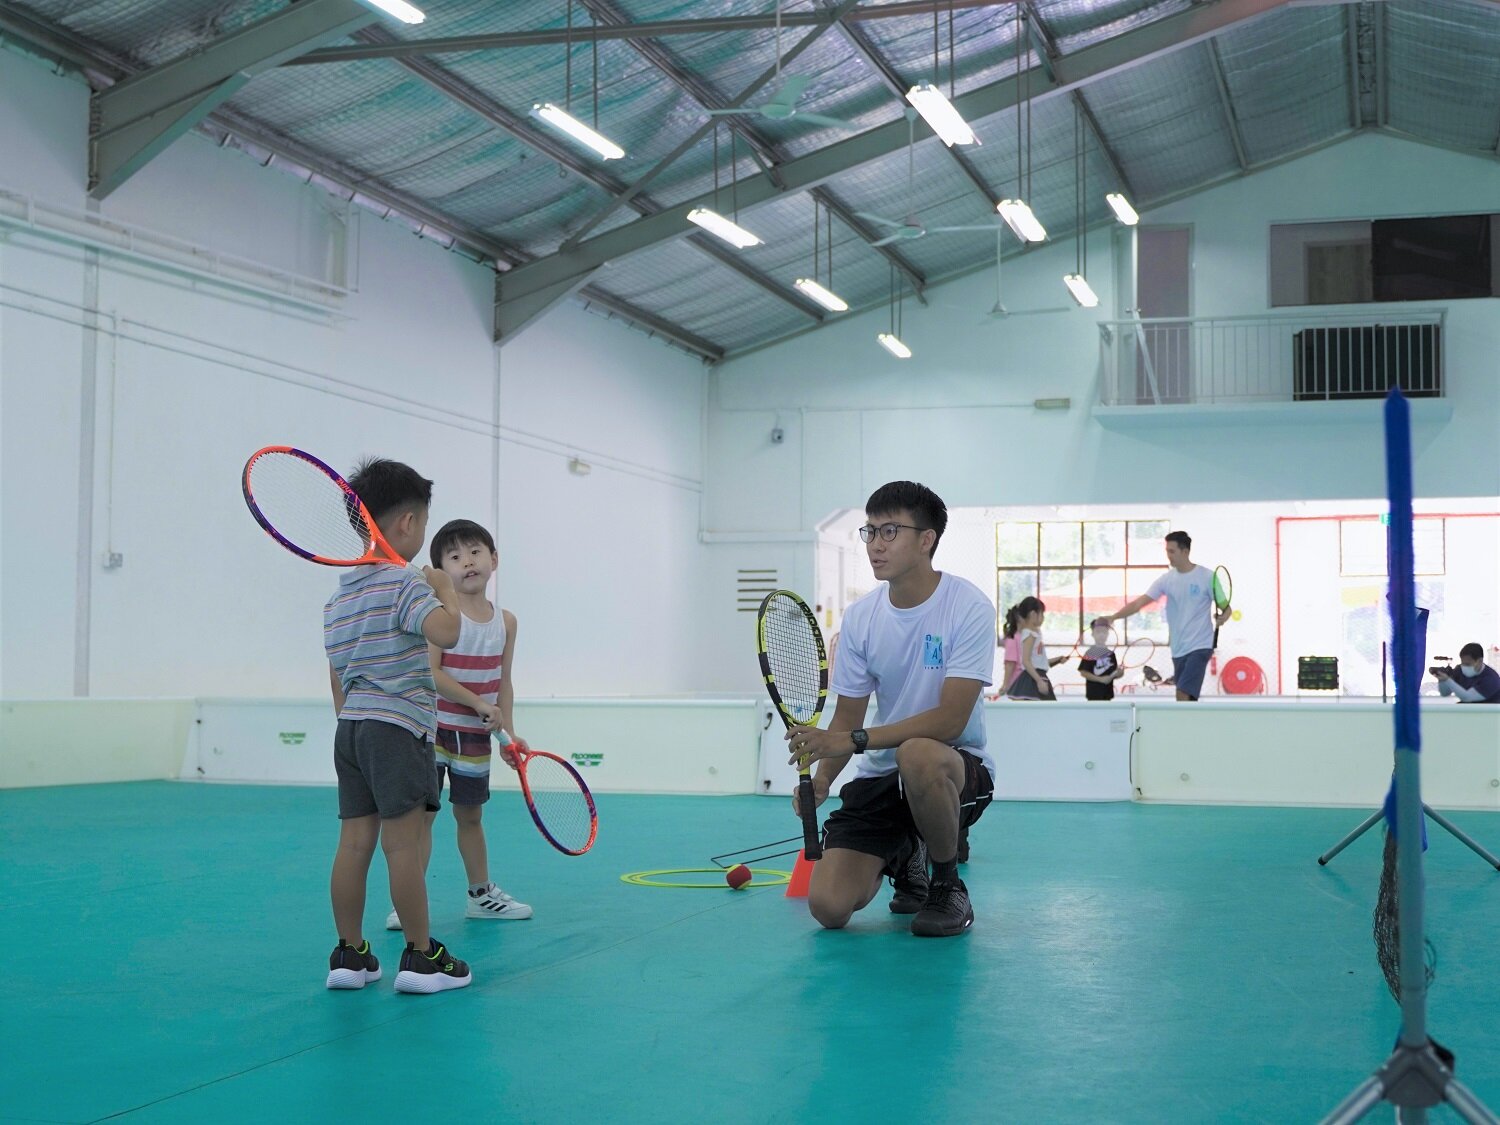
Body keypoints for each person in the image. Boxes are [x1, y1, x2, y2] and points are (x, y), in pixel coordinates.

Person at [786, 481, 996, 938]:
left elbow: (951, 719)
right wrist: (822, 781)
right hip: (882, 775)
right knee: (828, 907)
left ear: (926, 540)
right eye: (871, 532)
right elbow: (847, 718)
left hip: (953, 768)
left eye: (890, 532)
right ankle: (907, 857)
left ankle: (946, 884)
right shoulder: (862, 617)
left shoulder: (969, 607)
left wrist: (854, 740)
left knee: (918, 752)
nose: (875, 546)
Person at [324, 458, 472, 994]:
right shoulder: (406, 585)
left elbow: (338, 678)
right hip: (397, 729)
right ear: (407, 523)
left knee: (353, 843)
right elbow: (448, 634)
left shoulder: (338, 600)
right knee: (403, 847)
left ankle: (350, 954)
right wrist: (443, 589)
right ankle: (420, 956)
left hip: (352, 730)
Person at [385, 520, 533, 933]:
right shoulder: (440, 617)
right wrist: (477, 703)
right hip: (431, 732)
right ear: (441, 572)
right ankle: (406, 902)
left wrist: (509, 732)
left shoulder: (506, 623)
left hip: (474, 740)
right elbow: (432, 673)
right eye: (454, 557)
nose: (467, 561)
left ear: (494, 559)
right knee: (424, 819)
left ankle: (480, 895)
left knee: (470, 818)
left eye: (475, 552)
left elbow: (504, 682)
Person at [1107, 531, 1230, 702]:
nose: (1168, 556)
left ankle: (1182, 728)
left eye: (1172, 551)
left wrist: (1223, 618)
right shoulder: (1166, 580)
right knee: (1187, 697)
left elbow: (1226, 609)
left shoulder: (1208, 577)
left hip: (1201, 646)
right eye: (1167, 551)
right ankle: (1192, 726)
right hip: (1178, 648)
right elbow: (1139, 603)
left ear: (1185, 552)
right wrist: (1114, 616)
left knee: (1182, 694)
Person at [1003, 597, 1067, 700]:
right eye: (1042, 613)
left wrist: (1058, 659)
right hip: (1032, 680)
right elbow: (1026, 661)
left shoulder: (1035, 634)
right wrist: (1039, 681)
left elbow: (1037, 662)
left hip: (1037, 677)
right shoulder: (1030, 635)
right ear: (1033, 614)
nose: (1043, 617)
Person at [1433, 643, 1500, 703]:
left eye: (1468, 664)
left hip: (1488, 714)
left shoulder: (1491, 678)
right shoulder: (1459, 670)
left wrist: (1448, 680)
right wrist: (1442, 680)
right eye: (1462, 663)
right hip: (1466, 712)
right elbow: (1445, 693)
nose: (1464, 667)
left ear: (1479, 661)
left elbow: (1467, 697)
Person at [1078, 617, 1123, 701]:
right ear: (1093, 634)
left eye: (1104, 632)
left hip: (1107, 694)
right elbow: (1083, 672)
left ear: (1108, 634)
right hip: (1093, 694)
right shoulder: (1090, 653)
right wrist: (1100, 679)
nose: (1101, 635)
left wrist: (1120, 673)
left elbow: (1114, 673)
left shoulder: (1111, 654)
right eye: (1098, 632)